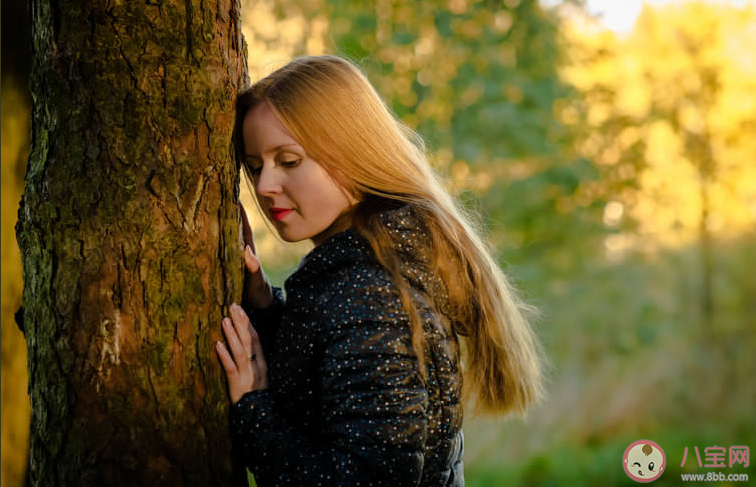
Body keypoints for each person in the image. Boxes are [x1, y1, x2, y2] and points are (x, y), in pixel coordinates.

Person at [215, 55, 543, 487]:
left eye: (289, 161)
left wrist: (255, 413)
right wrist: (262, 304)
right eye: (255, 167)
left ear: (352, 153)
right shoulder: (372, 264)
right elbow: (332, 383)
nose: (263, 186)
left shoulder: (370, 290)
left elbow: (368, 479)